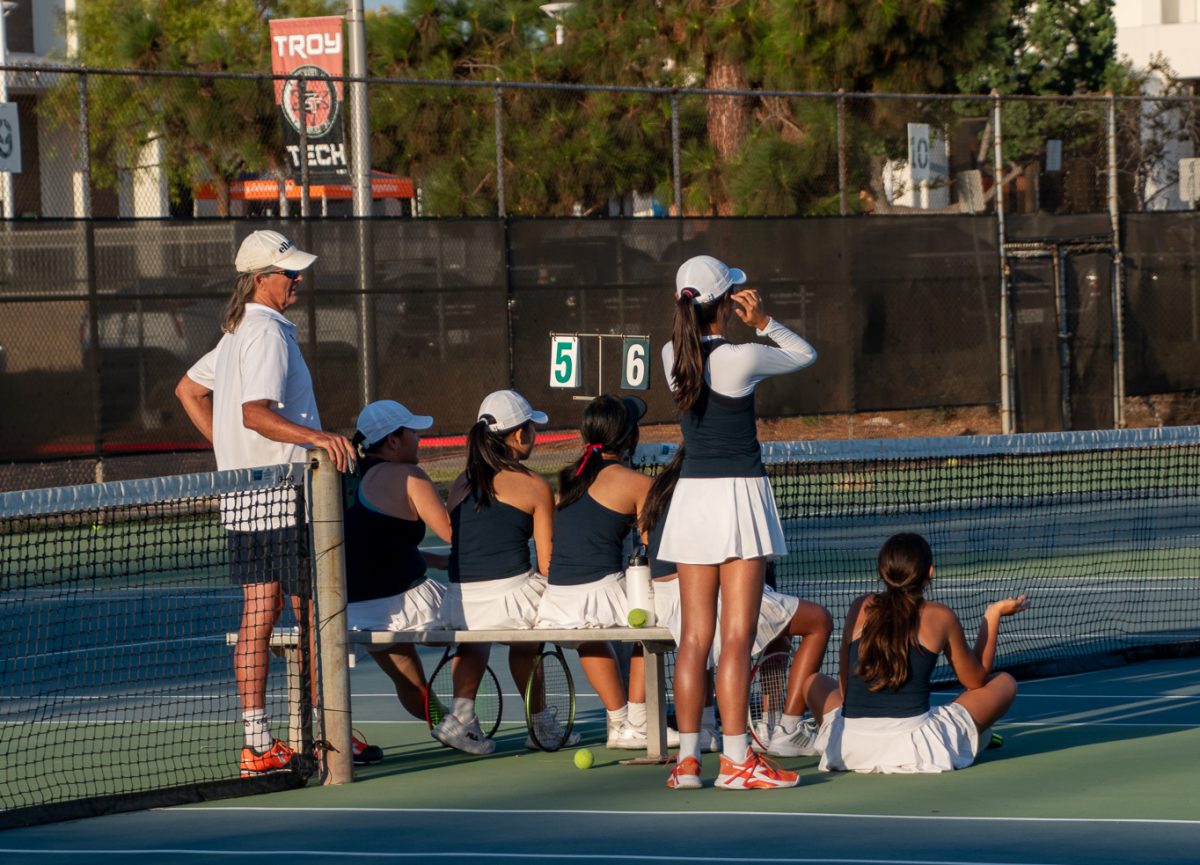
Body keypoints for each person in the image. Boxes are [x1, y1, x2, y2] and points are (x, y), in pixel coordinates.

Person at [175, 229, 355, 777]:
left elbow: (187, 390)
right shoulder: (267, 333)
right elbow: (255, 413)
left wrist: (230, 452)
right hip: (281, 497)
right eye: (288, 273)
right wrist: (315, 439)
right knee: (313, 613)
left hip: (247, 497)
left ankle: (264, 740)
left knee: (263, 609)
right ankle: (327, 733)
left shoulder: (235, 335)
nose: (297, 280)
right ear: (260, 281)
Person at [659, 254, 817, 790]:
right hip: (737, 500)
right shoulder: (742, 357)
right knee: (737, 636)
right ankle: (734, 762)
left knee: (693, 639)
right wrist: (764, 322)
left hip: (692, 503)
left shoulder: (669, 354)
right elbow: (804, 354)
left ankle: (686, 763)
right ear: (725, 304)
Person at [630, 446, 833, 758]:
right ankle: (787, 729)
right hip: (706, 595)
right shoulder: (724, 491)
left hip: (665, 600)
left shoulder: (660, 488)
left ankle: (703, 734)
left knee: (699, 641)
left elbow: (648, 541)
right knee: (818, 620)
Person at [802, 532, 1027, 773]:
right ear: (930, 572)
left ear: (882, 572)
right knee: (1005, 683)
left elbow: (845, 688)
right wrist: (992, 616)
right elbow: (976, 679)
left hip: (849, 745)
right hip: (914, 746)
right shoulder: (941, 616)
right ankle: (972, 736)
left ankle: (968, 736)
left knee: (813, 683)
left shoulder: (859, 606)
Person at [439, 390, 559, 755]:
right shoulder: (536, 485)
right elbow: (548, 565)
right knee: (529, 636)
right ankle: (540, 727)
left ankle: (460, 718)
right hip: (512, 602)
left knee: (476, 633)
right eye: (532, 429)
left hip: (458, 604)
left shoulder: (459, 484)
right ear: (520, 436)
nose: (534, 437)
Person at [536, 394, 650, 749]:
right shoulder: (637, 483)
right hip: (601, 590)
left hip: (558, 598)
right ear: (629, 438)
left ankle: (619, 723)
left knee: (593, 631)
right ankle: (638, 721)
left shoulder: (569, 480)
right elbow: (655, 546)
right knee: (657, 626)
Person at [343, 399, 453, 763]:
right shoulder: (409, 476)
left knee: (415, 687)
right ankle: (466, 715)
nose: (419, 438)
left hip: (358, 610)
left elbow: (379, 547)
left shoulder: (347, 478)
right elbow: (455, 533)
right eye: (413, 432)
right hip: (409, 601)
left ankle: (451, 727)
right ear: (392, 441)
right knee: (483, 627)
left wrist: (440, 562)